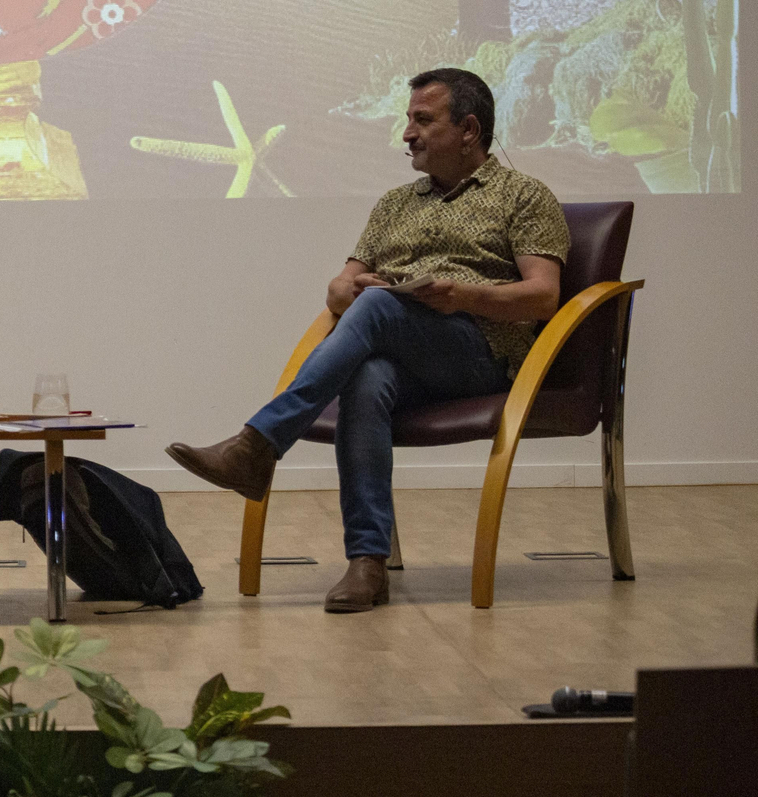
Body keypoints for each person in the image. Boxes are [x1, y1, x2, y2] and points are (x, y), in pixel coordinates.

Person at [165, 68, 569, 613]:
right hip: (406, 352)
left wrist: (463, 295)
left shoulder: (523, 196)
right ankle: (367, 563)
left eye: (423, 120)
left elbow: (544, 297)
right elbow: (339, 288)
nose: (407, 134)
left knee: (378, 309)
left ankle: (256, 445)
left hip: (480, 355)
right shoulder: (395, 204)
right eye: (408, 120)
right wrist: (350, 288)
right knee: (367, 374)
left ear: (469, 129)